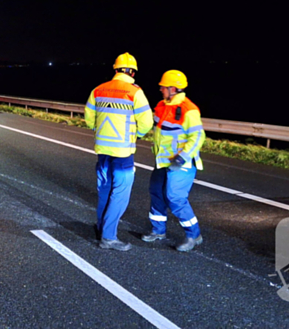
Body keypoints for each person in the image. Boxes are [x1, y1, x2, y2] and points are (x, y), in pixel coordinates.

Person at [85, 53, 153, 251]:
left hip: (102, 150)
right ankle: (108, 237)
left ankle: (101, 228)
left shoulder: (98, 89)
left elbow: (89, 118)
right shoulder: (135, 92)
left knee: (104, 190)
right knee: (120, 194)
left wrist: (100, 132)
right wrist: (136, 135)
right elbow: (147, 122)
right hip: (123, 152)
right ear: (132, 72)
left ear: (116, 69)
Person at [142, 70, 205, 252]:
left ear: (173, 89)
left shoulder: (188, 109)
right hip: (162, 162)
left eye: (163, 86)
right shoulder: (161, 105)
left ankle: (194, 235)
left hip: (181, 163)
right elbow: (156, 129)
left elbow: (197, 137)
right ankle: (158, 230)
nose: (160, 89)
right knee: (156, 193)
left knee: (175, 198)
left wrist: (183, 157)